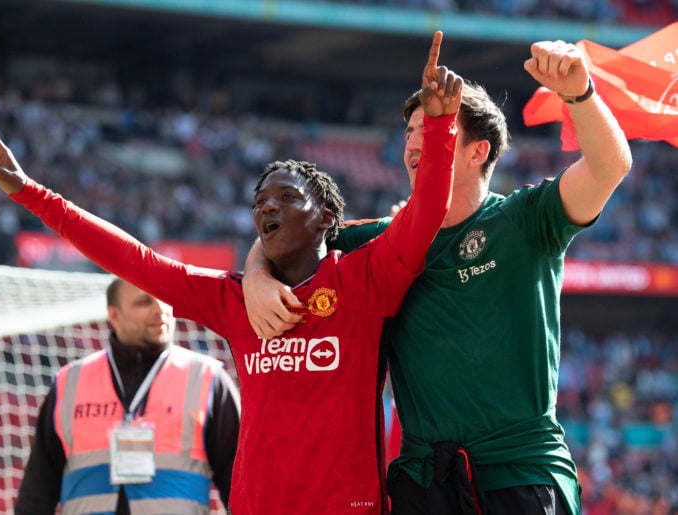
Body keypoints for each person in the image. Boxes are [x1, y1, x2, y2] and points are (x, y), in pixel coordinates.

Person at [0, 32, 460, 514]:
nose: (270, 207)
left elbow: (427, 211)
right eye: (261, 201)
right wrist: (29, 190)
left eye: (289, 198)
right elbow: (133, 260)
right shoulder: (233, 300)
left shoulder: (363, 281)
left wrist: (439, 128)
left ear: (327, 220)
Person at [242, 40, 632, 514]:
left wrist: (579, 94)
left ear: (476, 152)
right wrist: (255, 275)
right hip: (424, 484)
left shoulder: (526, 219)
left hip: (521, 473)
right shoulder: (381, 242)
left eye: (431, 127)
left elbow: (611, 166)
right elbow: (290, 235)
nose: (411, 143)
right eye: (409, 130)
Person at [14, 277, 240, 515]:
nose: (160, 310)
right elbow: (37, 491)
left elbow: (241, 484)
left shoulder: (207, 378)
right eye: (144, 302)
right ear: (114, 316)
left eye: (165, 300)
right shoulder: (69, 381)